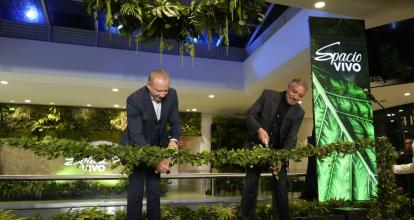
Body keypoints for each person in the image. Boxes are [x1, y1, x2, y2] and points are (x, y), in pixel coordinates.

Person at [240, 79, 308, 220]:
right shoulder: (268, 95)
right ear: (288, 87)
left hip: (278, 153)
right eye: (294, 92)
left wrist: (282, 158)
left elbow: (291, 137)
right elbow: (250, 115)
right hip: (256, 148)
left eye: (300, 96)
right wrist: (259, 129)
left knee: (281, 190)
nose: (296, 97)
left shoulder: (299, 112)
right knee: (250, 188)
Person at [120, 69, 180, 220]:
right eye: (158, 91)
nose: (162, 94)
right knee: (136, 192)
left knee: (154, 193)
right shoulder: (134, 99)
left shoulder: (172, 95)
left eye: (165, 90)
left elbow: (175, 121)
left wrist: (173, 140)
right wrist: (155, 161)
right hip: (136, 149)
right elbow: (136, 136)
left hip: (157, 147)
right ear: (148, 85)